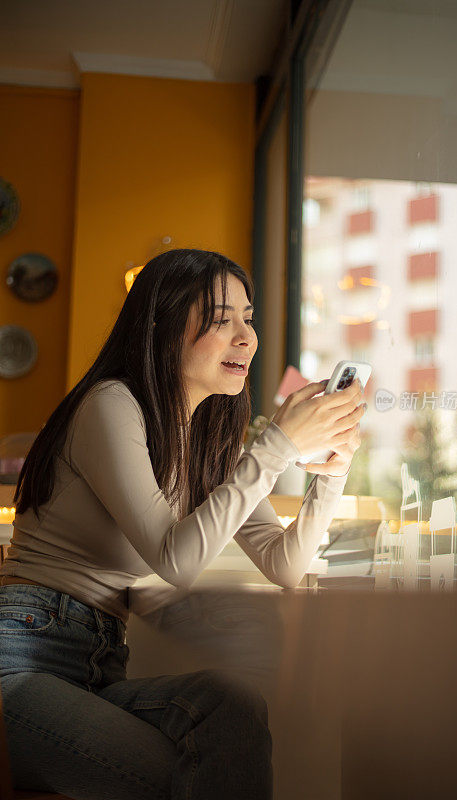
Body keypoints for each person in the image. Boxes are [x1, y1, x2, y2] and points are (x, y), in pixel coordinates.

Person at [0, 248, 366, 799]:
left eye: (249, 317)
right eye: (222, 320)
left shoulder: (206, 443)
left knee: (234, 707)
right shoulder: (110, 404)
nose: (247, 337)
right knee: (177, 776)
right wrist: (276, 449)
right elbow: (175, 560)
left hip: (96, 668)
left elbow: (285, 565)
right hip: (22, 660)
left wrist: (331, 473)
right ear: (164, 327)